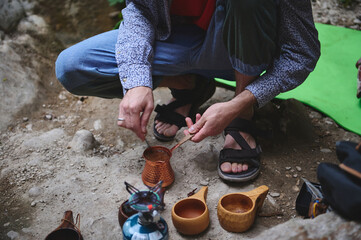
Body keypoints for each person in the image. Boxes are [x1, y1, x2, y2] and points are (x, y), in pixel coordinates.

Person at [55, 0, 320, 182]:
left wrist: (239, 103)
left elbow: (301, 53)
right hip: (177, 41)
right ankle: (189, 84)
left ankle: (243, 116)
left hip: (243, 49)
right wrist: (138, 81)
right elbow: (140, 11)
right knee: (72, 67)